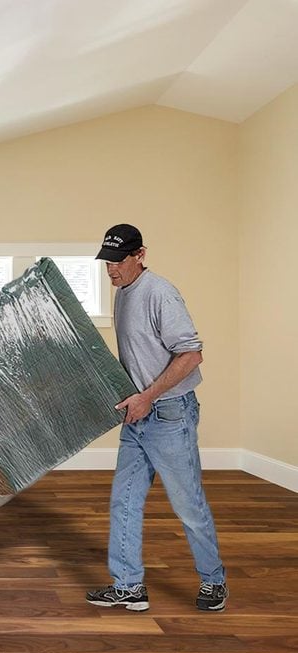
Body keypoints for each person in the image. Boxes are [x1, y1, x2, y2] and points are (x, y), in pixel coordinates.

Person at [86, 224, 228, 612]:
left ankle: (214, 580)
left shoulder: (160, 293)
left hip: (169, 415)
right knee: (124, 501)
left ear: (140, 255)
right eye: (106, 263)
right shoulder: (123, 294)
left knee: (187, 504)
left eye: (117, 262)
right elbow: (137, 357)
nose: (110, 270)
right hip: (138, 415)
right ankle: (129, 585)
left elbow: (191, 354)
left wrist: (148, 396)